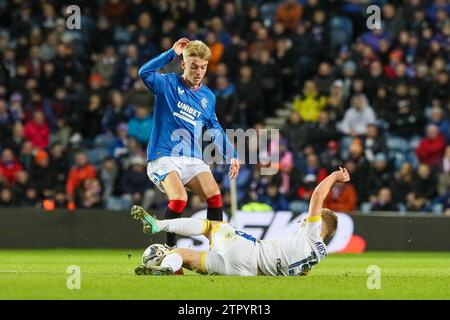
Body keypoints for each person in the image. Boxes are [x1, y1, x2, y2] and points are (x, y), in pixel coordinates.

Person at [131, 168, 349, 276]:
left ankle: (159, 224)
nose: (304, 220)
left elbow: (318, 195)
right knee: (181, 255)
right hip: (245, 272)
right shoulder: (317, 256)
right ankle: (167, 268)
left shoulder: (312, 234)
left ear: (320, 225)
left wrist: (334, 176)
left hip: (249, 251)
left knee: (210, 226)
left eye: (311, 219)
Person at [138, 38, 240, 248]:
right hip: (164, 156)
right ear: (183, 64)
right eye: (194, 66)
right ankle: (170, 249)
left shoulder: (207, 97)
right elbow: (144, 73)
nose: (199, 72)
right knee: (180, 199)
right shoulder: (167, 84)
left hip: (192, 158)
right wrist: (171, 53)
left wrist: (232, 155)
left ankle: (216, 250)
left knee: (214, 195)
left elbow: (214, 129)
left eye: (203, 67)